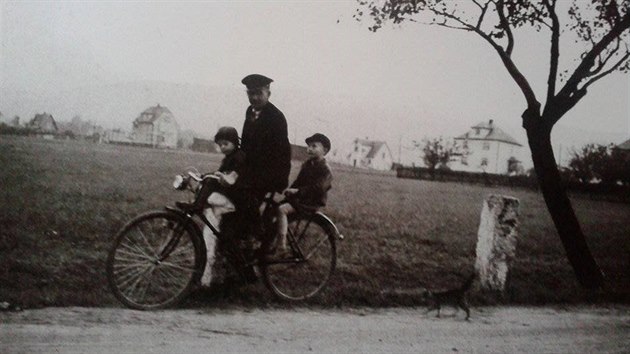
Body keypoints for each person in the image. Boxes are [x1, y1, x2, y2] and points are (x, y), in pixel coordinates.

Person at [177, 126, 245, 286]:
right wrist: (207, 175)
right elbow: (219, 172)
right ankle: (205, 278)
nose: (222, 147)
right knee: (211, 230)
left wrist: (222, 177)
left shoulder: (239, 157)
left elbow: (233, 177)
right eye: (220, 144)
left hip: (237, 198)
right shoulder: (228, 158)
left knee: (210, 192)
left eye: (226, 144)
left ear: (235, 142)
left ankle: (197, 206)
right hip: (228, 197)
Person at [230, 74, 292, 243]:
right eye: (250, 93)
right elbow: (246, 146)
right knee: (230, 191)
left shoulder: (276, 117)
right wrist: (235, 168)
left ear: (268, 93)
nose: (254, 98)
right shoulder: (250, 112)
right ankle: (239, 237)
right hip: (252, 171)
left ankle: (256, 236)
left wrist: (280, 180)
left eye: (259, 93)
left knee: (245, 195)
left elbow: (282, 151)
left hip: (271, 172)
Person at [275, 133, 333, 253]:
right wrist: (290, 190)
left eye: (314, 146)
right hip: (301, 198)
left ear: (325, 151)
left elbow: (318, 188)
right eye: (309, 146)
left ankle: (281, 245)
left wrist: (298, 191)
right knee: (274, 208)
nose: (310, 149)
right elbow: (299, 181)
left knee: (282, 210)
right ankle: (267, 241)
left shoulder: (325, 169)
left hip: (311, 202)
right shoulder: (307, 164)